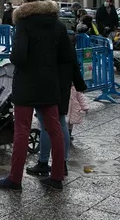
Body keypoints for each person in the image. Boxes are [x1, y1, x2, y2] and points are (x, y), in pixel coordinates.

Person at [0, 0, 75, 191]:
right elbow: (67, 57)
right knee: (54, 128)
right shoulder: (58, 25)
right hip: (50, 84)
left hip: (27, 85)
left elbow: (19, 56)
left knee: (21, 130)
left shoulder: (24, 24)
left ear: (26, 0)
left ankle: (15, 178)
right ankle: (56, 176)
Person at [26, 29, 87, 178]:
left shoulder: (47, 40)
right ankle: (62, 163)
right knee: (61, 123)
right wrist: (80, 85)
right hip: (64, 88)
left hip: (48, 89)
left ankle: (43, 161)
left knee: (47, 125)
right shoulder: (66, 42)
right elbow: (74, 67)